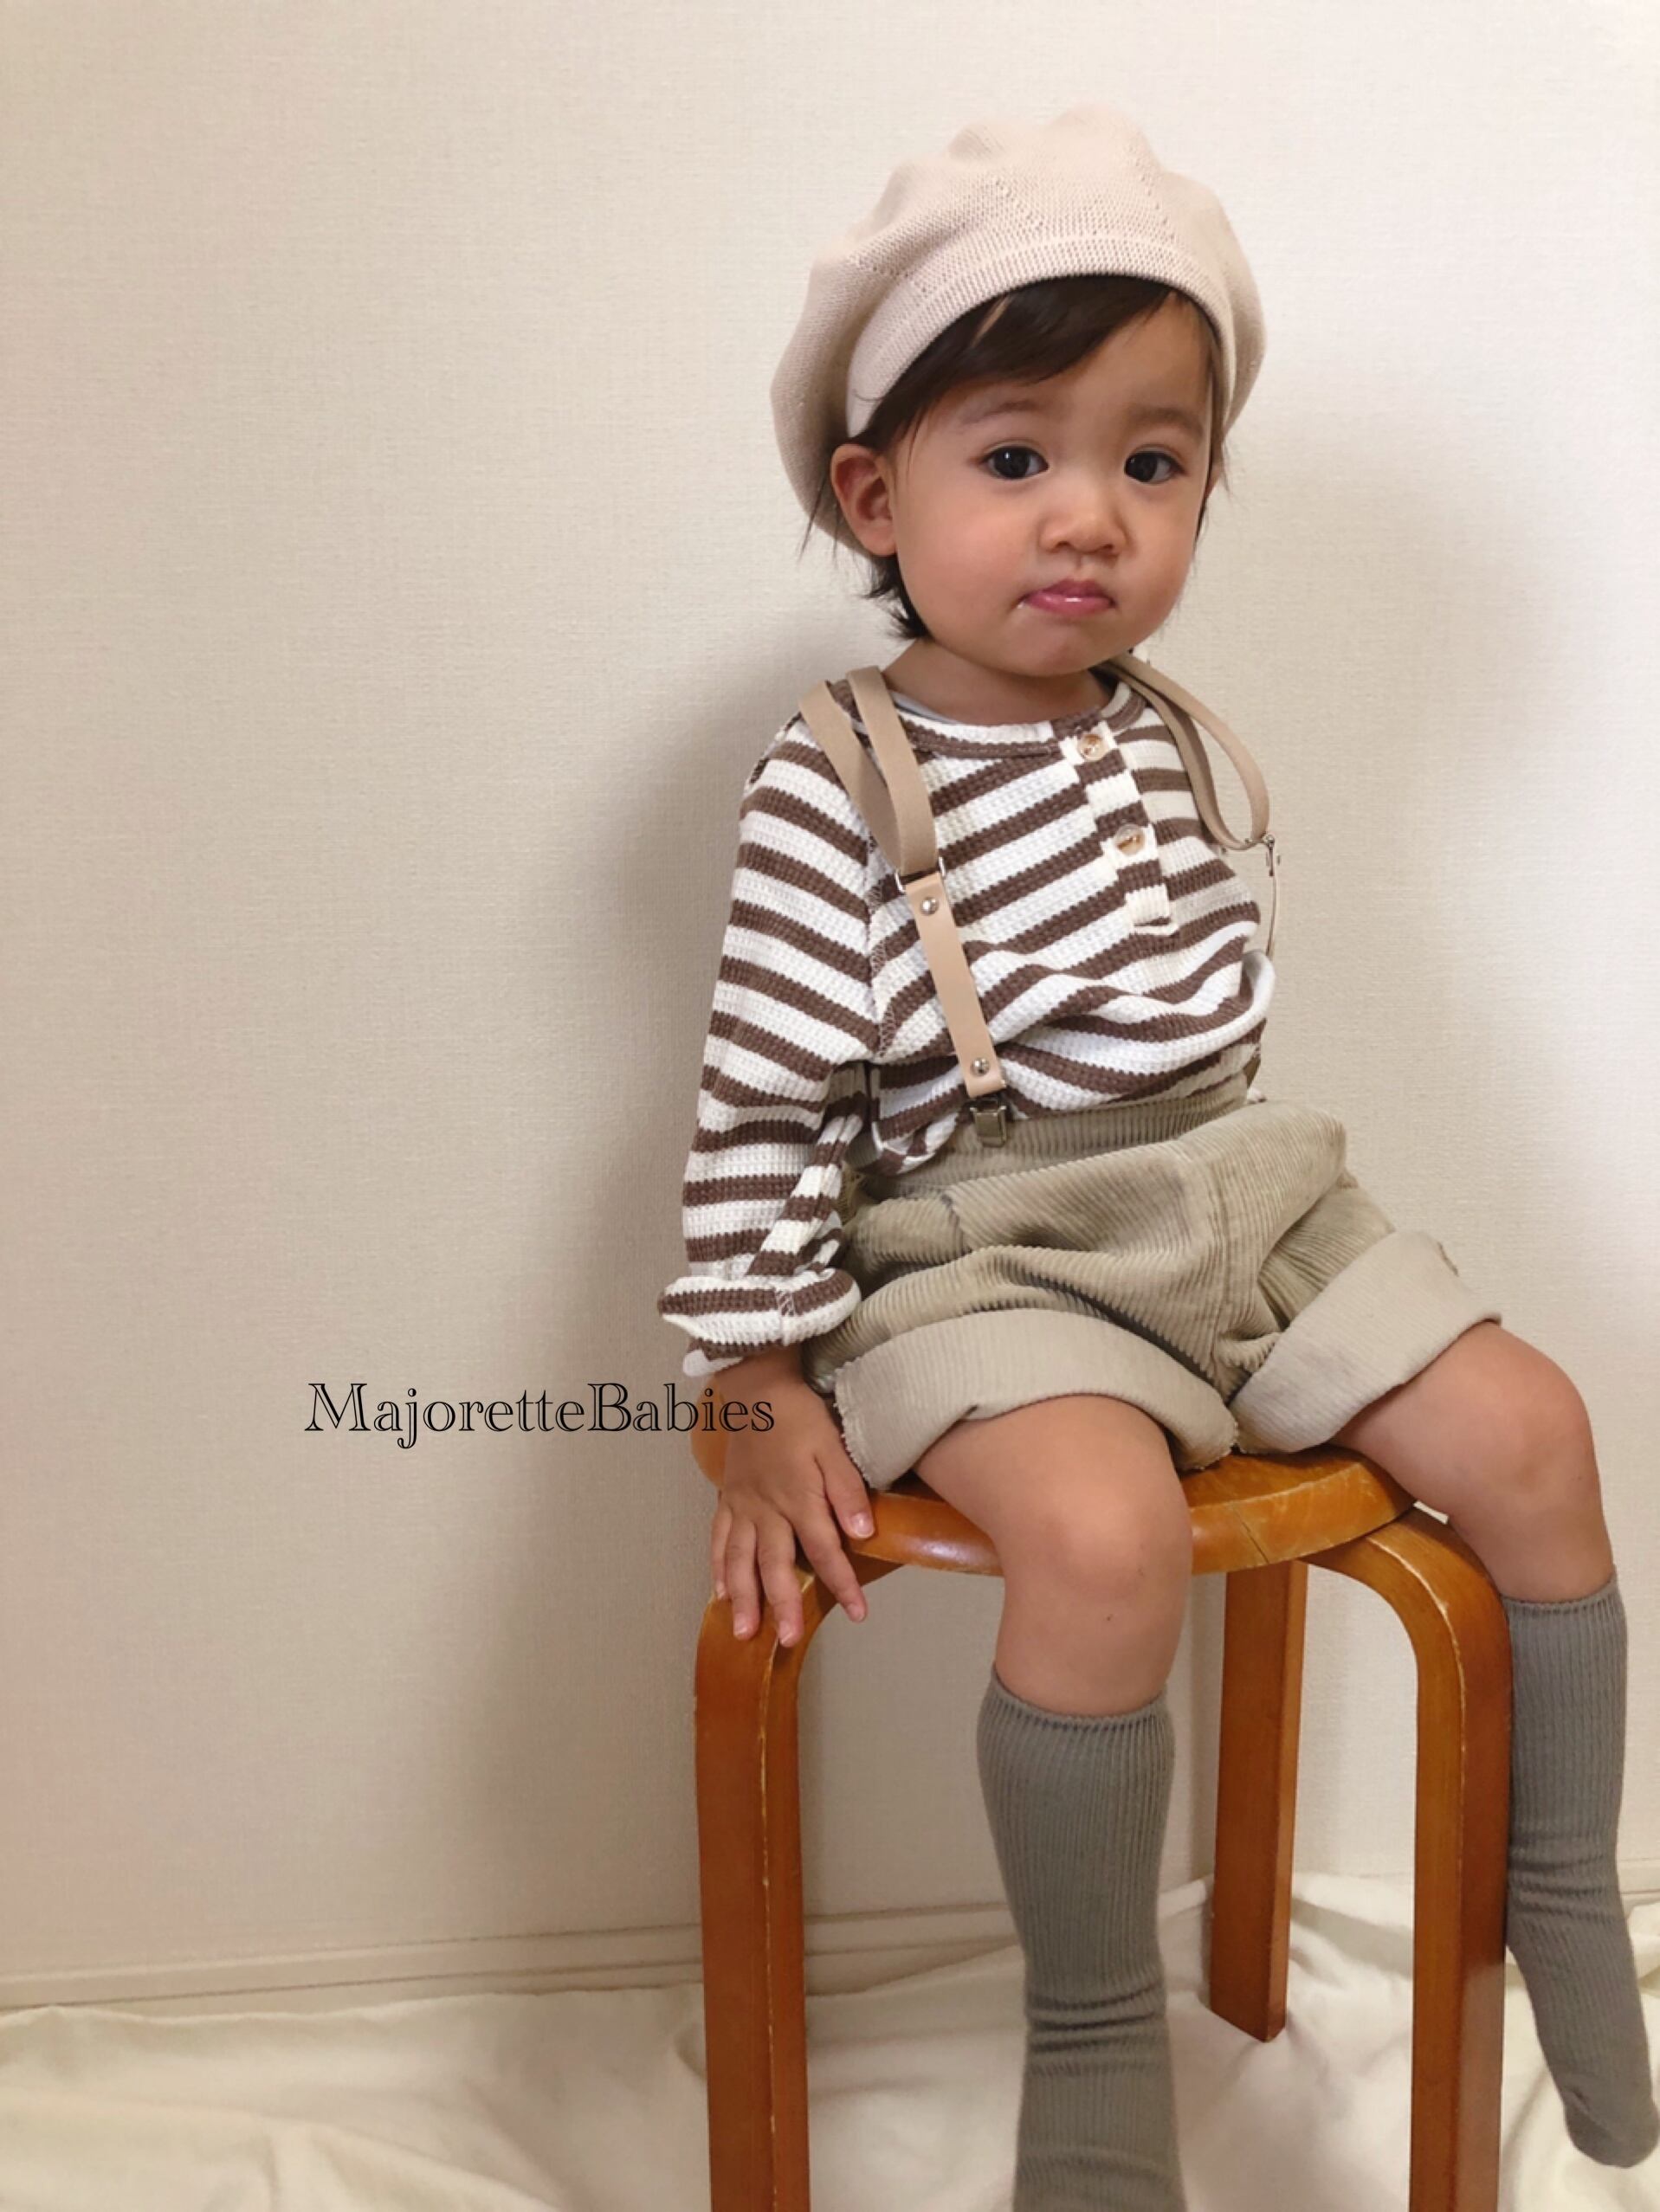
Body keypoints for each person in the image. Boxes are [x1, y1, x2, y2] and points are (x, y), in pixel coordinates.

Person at [657, 104, 1658, 2205]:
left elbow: (1200, 1055)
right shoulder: (837, 776)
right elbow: (762, 1099)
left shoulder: (1167, 731)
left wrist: (1266, 1253)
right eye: (1014, 455)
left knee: (1536, 1429)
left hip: (1231, 1196)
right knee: (1102, 1540)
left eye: (1150, 460)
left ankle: (1557, 1881)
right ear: (874, 492)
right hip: (985, 1247)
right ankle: (1094, 2033)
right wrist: (746, 1374)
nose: (1086, 516)